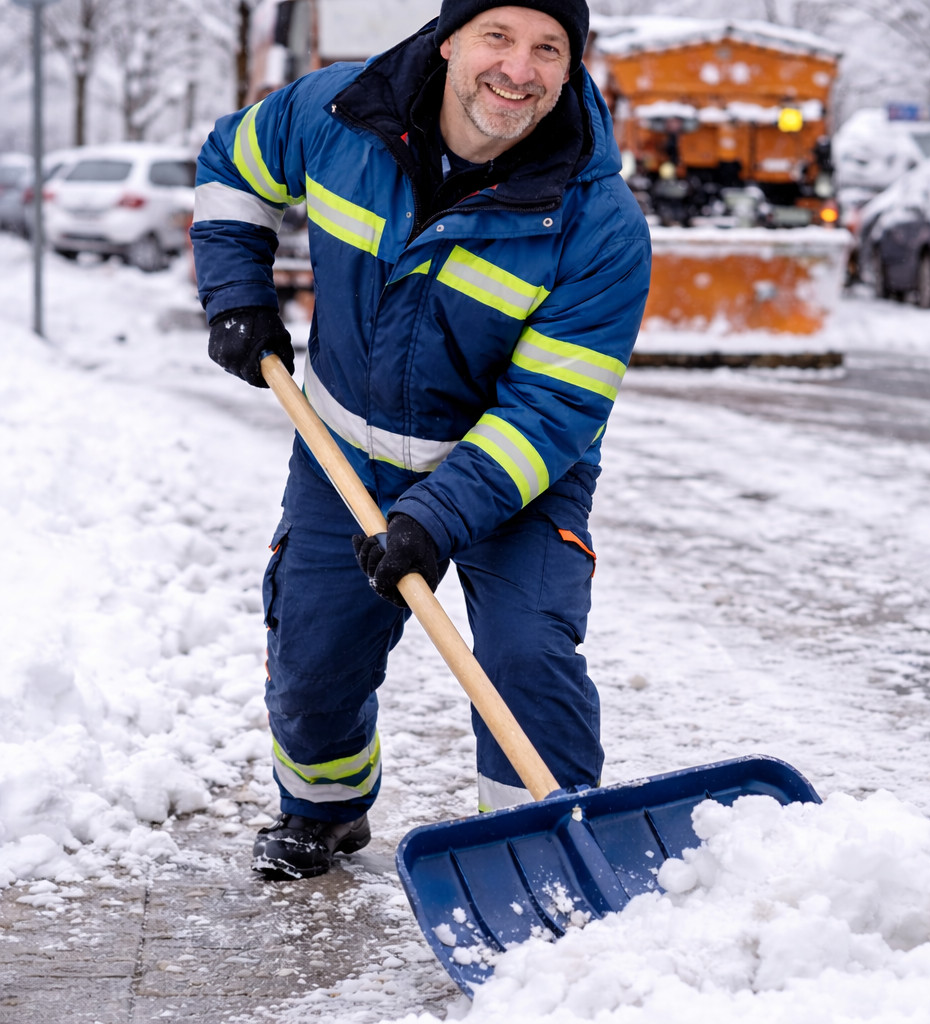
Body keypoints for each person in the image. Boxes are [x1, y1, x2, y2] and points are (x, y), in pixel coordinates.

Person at [190, 0, 652, 881]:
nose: (519, 69)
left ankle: (542, 851)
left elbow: (553, 407)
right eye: (497, 37)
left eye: (548, 48)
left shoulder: (597, 223)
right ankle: (324, 806)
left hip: (516, 480)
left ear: (572, 67)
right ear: (448, 42)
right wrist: (237, 292)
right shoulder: (337, 116)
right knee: (313, 659)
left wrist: (436, 516)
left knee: (526, 655)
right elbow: (232, 164)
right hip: (345, 453)